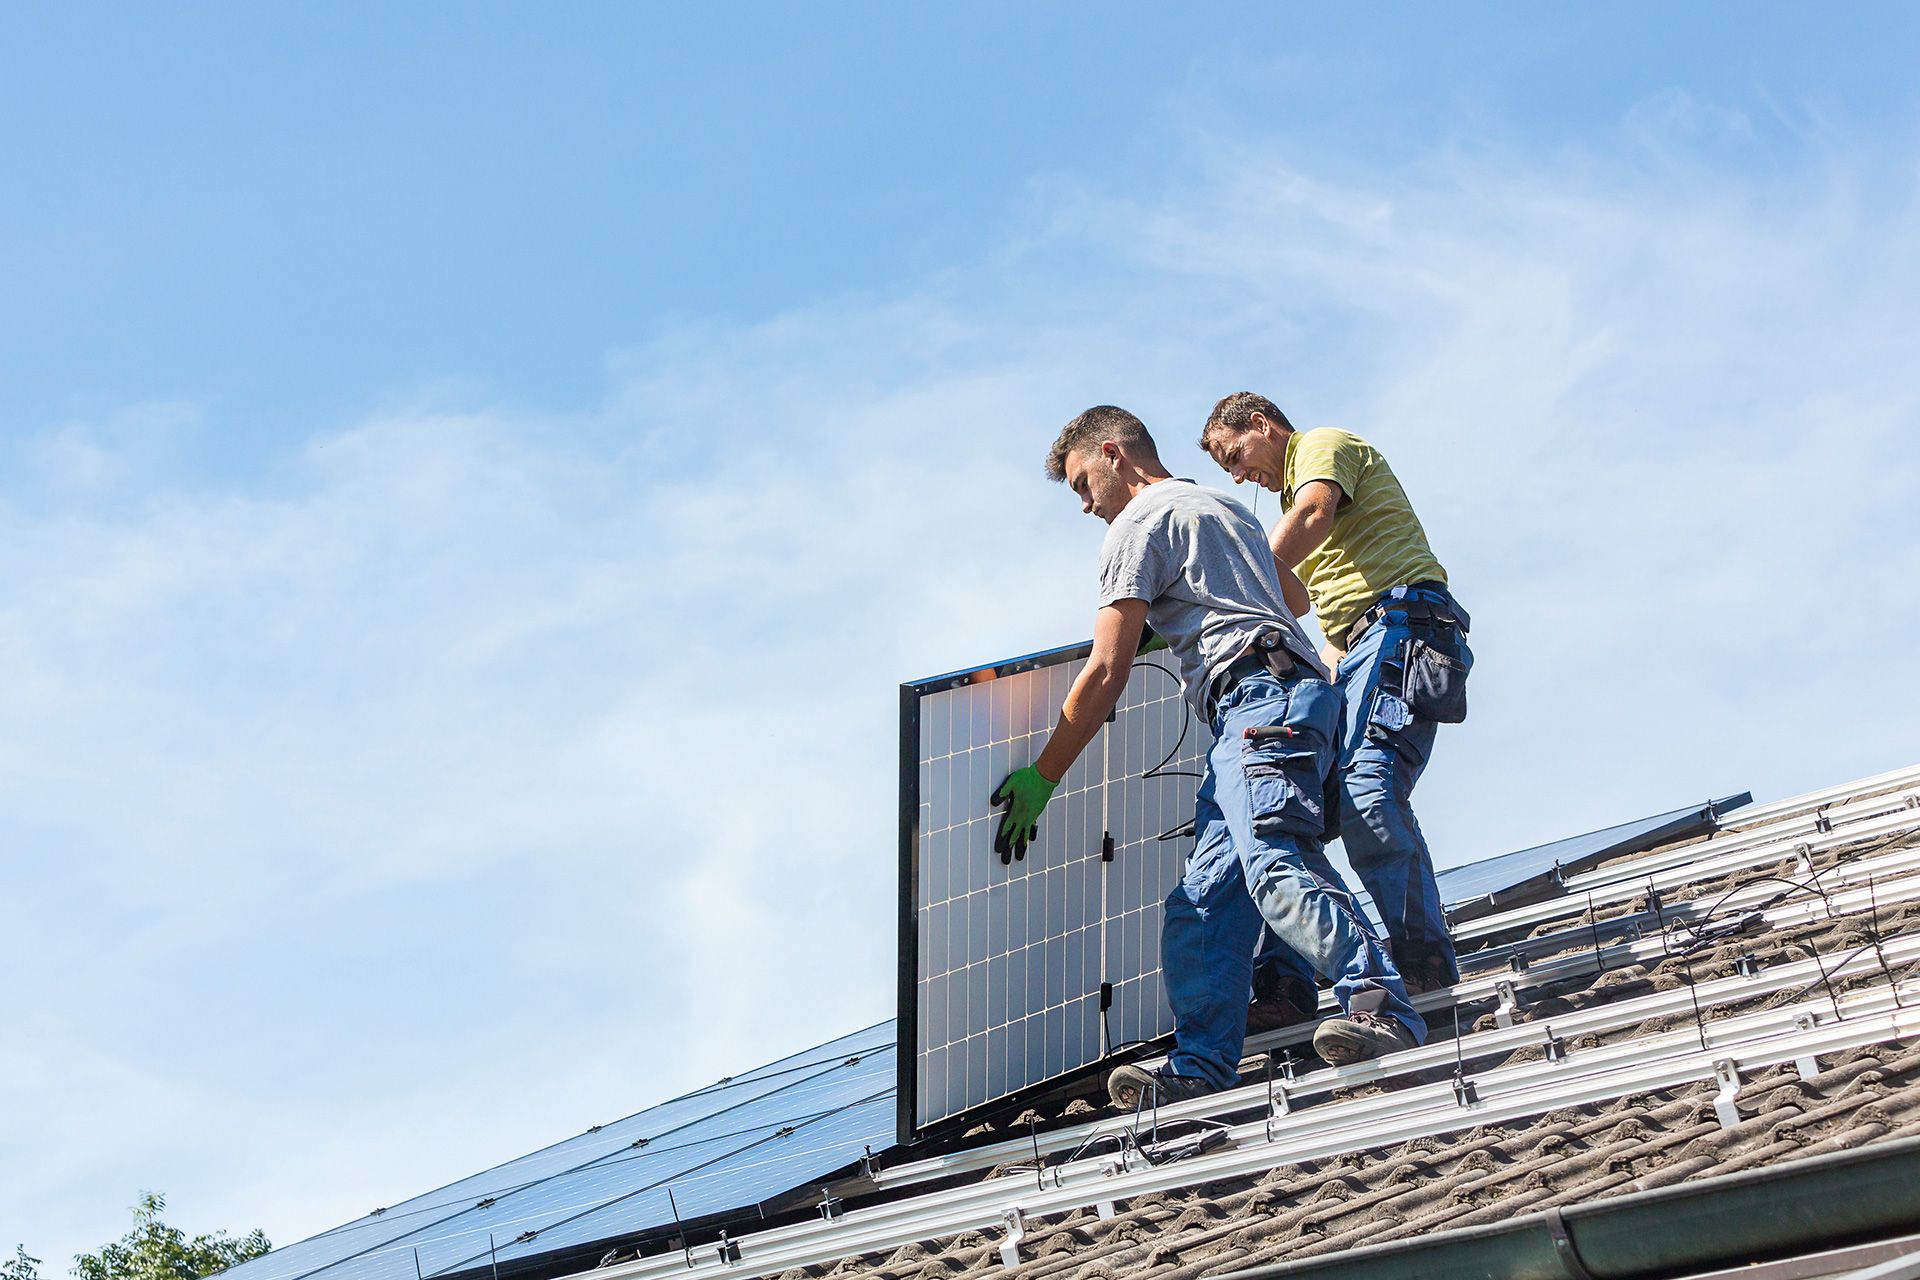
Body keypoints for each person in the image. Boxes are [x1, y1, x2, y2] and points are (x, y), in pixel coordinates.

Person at [989, 405, 1424, 1109]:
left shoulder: (1137, 524)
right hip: (1277, 702)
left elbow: (1105, 671)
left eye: (1079, 484)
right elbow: (1294, 595)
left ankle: (1381, 1008)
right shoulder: (1222, 505)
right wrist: (1201, 605)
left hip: (1258, 703)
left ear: (1112, 454)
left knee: (1278, 863)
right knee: (1202, 901)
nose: (1083, 505)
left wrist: (1044, 775)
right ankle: (1200, 1064)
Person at [1199, 392, 1472, 1010]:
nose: (1240, 476)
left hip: (1403, 624)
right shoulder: (1301, 515)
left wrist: (1242, 571)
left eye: (1233, 455)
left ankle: (1421, 964)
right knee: (1305, 811)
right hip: (1360, 645)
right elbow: (1299, 600)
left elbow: (1315, 513)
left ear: (1263, 427)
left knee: (1368, 790)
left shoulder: (1321, 445)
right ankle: (1290, 979)